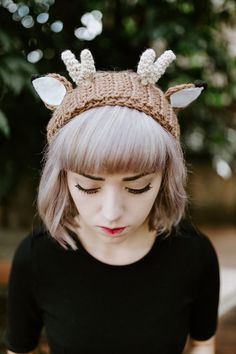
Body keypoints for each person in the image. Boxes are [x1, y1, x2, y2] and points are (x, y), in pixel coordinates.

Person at [3, 48, 220, 354]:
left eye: (139, 187)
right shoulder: (37, 257)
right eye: (88, 187)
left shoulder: (194, 255)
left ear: (165, 179)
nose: (112, 213)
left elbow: (203, 343)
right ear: (63, 180)